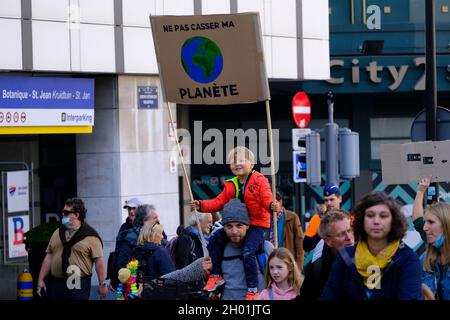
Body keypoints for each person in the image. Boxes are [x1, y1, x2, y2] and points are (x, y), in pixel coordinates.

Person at [191, 146, 279, 299]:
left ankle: (252, 289)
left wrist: (271, 206)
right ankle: (216, 275)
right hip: (241, 222)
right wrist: (202, 205)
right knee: (215, 240)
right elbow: (219, 202)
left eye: (241, 160)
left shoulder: (260, 181)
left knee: (247, 251)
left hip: (257, 224)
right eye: (233, 161)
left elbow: (266, 197)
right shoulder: (231, 184)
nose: (237, 163)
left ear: (252, 164)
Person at [321, 192, 423, 300]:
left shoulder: (407, 259)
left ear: (393, 221)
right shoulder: (345, 258)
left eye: (383, 216)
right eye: (370, 215)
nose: (376, 221)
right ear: (362, 220)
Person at [202, 199, 274, 300]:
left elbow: (279, 280)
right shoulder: (218, 249)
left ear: (248, 226)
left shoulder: (265, 248)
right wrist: (207, 274)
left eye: (239, 226)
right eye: (229, 226)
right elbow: (211, 282)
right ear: (224, 227)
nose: (234, 231)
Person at [36, 197, 107, 300]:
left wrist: (102, 284)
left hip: (77, 283)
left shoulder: (90, 236)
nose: (62, 215)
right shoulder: (57, 233)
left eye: (66, 212)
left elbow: (99, 262)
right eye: (62, 212)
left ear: (77, 215)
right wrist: (40, 280)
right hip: (58, 283)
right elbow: (49, 256)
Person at [299, 209, 354, 300]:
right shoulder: (318, 268)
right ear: (328, 241)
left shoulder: (369, 262)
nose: (349, 238)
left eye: (350, 230)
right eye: (341, 234)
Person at [116, 204, 159, 270]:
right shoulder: (129, 240)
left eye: (133, 208)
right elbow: (123, 266)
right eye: (155, 218)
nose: (158, 221)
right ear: (145, 221)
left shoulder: (156, 233)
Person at [268, 192, 304, 270]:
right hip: (270, 262)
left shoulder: (292, 217)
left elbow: (299, 241)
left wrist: (298, 265)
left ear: (280, 202)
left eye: (275, 202)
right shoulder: (266, 218)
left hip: (288, 263)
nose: (272, 206)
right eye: (270, 204)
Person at [421, 202, 450, 300]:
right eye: (424, 222)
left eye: (431, 222)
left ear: (446, 224)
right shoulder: (424, 258)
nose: (424, 228)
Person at [304, 183, 343, 251]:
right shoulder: (317, 219)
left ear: (340, 199)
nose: (328, 203)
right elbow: (306, 246)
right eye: (326, 200)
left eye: (332, 199)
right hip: (324, 260)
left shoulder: (349, 218)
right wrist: (318, 234)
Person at [412, 176, 432, 241]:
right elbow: (419, 223)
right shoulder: (434, 237)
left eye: (432, 222)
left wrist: (420, 192)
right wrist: (420, 192)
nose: (425, 228)